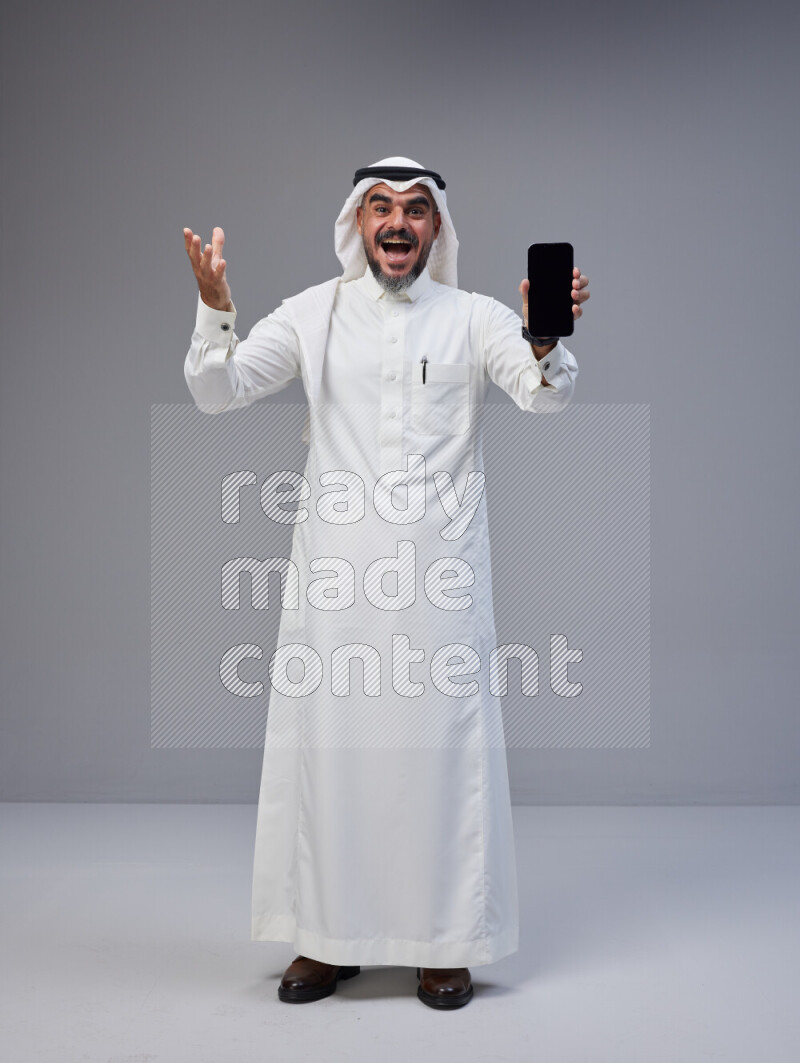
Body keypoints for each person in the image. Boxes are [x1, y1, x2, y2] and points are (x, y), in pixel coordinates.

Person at [183, 156, 590, 1010]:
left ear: (436, 226)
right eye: (380, 207)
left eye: (413, 208)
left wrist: (544, 340)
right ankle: (328, 939)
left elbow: (543, 396)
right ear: (357, 224)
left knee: (439, 760)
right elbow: (220, 391)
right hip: (336, 583)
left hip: (440, 584)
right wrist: (216, 308)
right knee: (333, 760)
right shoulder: (313, 313)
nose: (397, 222)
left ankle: (443, 944)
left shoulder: (475, 318)